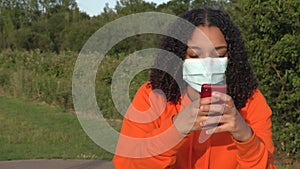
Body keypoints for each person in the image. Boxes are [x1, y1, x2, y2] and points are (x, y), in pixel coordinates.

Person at [113, 8, 276, 169]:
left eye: (219, 55)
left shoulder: (251, 100)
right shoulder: (152, 95)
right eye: (194, 56)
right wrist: (175, 130)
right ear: (178, 56)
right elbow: (125, 164)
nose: (207, 64)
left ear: (232, 57)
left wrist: (245, 136)